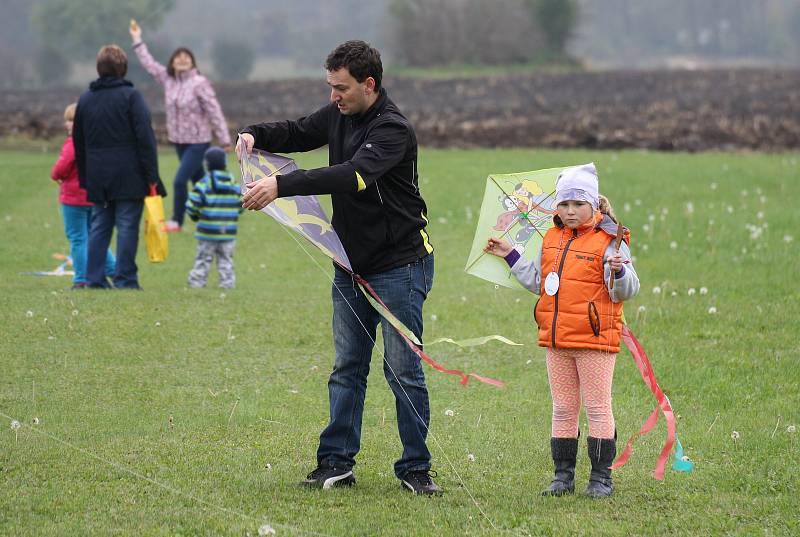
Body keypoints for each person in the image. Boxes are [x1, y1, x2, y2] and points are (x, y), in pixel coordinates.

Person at [237, 40, 440, 495]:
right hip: (350, 265)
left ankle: (415, 469)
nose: (334, 96)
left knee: (403, 370)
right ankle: (335, 463)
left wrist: (281, 185)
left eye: (341, 88)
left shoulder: (392, 130)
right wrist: (255, 133)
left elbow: (353, 175)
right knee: (348, 366)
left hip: (401, 266)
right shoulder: (338, 114)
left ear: (369, 84)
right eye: (330, 87)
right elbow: (296, 132)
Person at [484, 163, 640, 498]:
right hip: (556, 339)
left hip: (594, 340)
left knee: (598, 407)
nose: (570, 211)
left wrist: (618, 272)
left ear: (593, 205)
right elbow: (542, 283)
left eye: (578, 204)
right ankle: (562, 477)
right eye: (564, 204)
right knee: (563, 407)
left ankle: (601, 478)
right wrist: (509, 254)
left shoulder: (610, 240)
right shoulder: (551, 238)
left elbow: (626, 290)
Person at [73, 44, 165, 290]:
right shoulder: (131, 97)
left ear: (99, 68)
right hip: (129, 175)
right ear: (123, 68)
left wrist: (85, 177)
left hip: (97, 175)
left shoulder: (86, 99)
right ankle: (125, 279)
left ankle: (93, 279)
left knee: (100, 226)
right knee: (126, 226)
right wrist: (151, 175)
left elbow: (78, 142)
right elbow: (145, 138)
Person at [129, 22, 232, 232]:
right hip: (178, 140)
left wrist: (224, 139)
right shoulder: (169, 80)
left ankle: (177, 221)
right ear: (172, 63)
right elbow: (148, 64)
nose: (182, 60)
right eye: (178, 57)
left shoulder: (199, 83)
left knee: (179, 180)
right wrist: (137, 39)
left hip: (198, 141)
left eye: (187, 57)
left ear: (193, 63)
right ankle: (216, 212)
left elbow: (214, 110)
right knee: (199, 179)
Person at [50, 103, 116, 289]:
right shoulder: (95, 142)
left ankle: (81, 278)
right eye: (67, 120)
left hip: (73, 199)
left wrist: (55, 175)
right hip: (93, 196)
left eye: (71, 120)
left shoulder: (72, 143)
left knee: (78, 238)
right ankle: (114, 271)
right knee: (95, 238)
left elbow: (63, 166)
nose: (67, 125)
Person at [185, 146, 243, 289]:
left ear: (207, 164)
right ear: (224, 163)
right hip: (228, 233)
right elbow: (242, 204)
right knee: (226, 260)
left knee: (203, 260)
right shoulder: (233, 184)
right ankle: (227, 285)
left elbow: (192, 205)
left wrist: (195, 216)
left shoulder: (204, 184)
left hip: (206, 232)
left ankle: (196, 284)